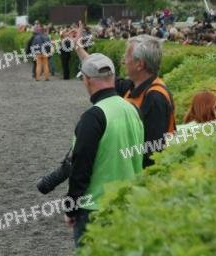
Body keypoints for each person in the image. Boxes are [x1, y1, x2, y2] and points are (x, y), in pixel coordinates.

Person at [65, 53, 144, 247]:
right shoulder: (133, 109)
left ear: (87, 79)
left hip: (95, 209)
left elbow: (81, 167)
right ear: (113, 77)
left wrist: (70, 208)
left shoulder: (93, 116)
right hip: (128, 204)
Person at [72, 25, 175, 168]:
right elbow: (101, 75)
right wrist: (79, 48)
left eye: (126, 57)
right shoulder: (133, 87)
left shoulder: (155, 98)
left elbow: (153, 150)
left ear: (139, 64)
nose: (123, 61)